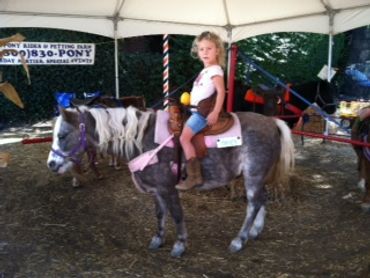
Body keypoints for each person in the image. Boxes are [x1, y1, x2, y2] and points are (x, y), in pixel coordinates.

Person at [175, 31, 226, 191]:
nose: (205, 52)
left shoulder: (215, 70)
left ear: (217, 50)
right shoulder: (205, 70)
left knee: (184, 138)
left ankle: (194, 176)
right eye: (201, 49)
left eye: (209, 48)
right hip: (194, 109)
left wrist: (215, 112)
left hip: (202, 114)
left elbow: (221, 91)